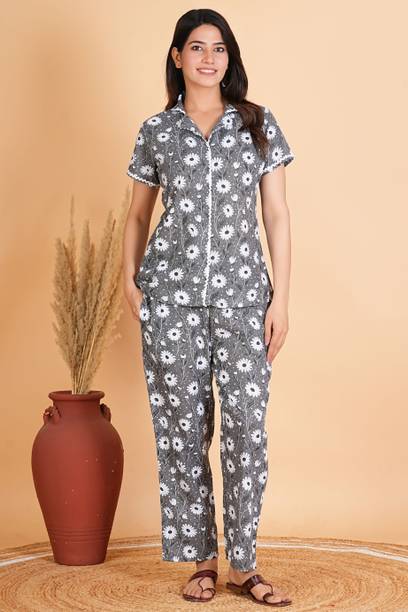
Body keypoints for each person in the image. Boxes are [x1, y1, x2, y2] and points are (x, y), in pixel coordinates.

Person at [123, 8, 294, 607]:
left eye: (219, 48)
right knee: (182, 430)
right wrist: (128, 281)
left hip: (245, 300)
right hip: (170, 300)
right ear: (177, 57)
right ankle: (201, 562)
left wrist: (281, 299)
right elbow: (138, 214)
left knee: (246, 426)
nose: (208, 58)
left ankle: (245, 565)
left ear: (229, 58)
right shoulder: (156, 131)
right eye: (196, 47)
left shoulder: (258, 124)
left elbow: (276, 214)